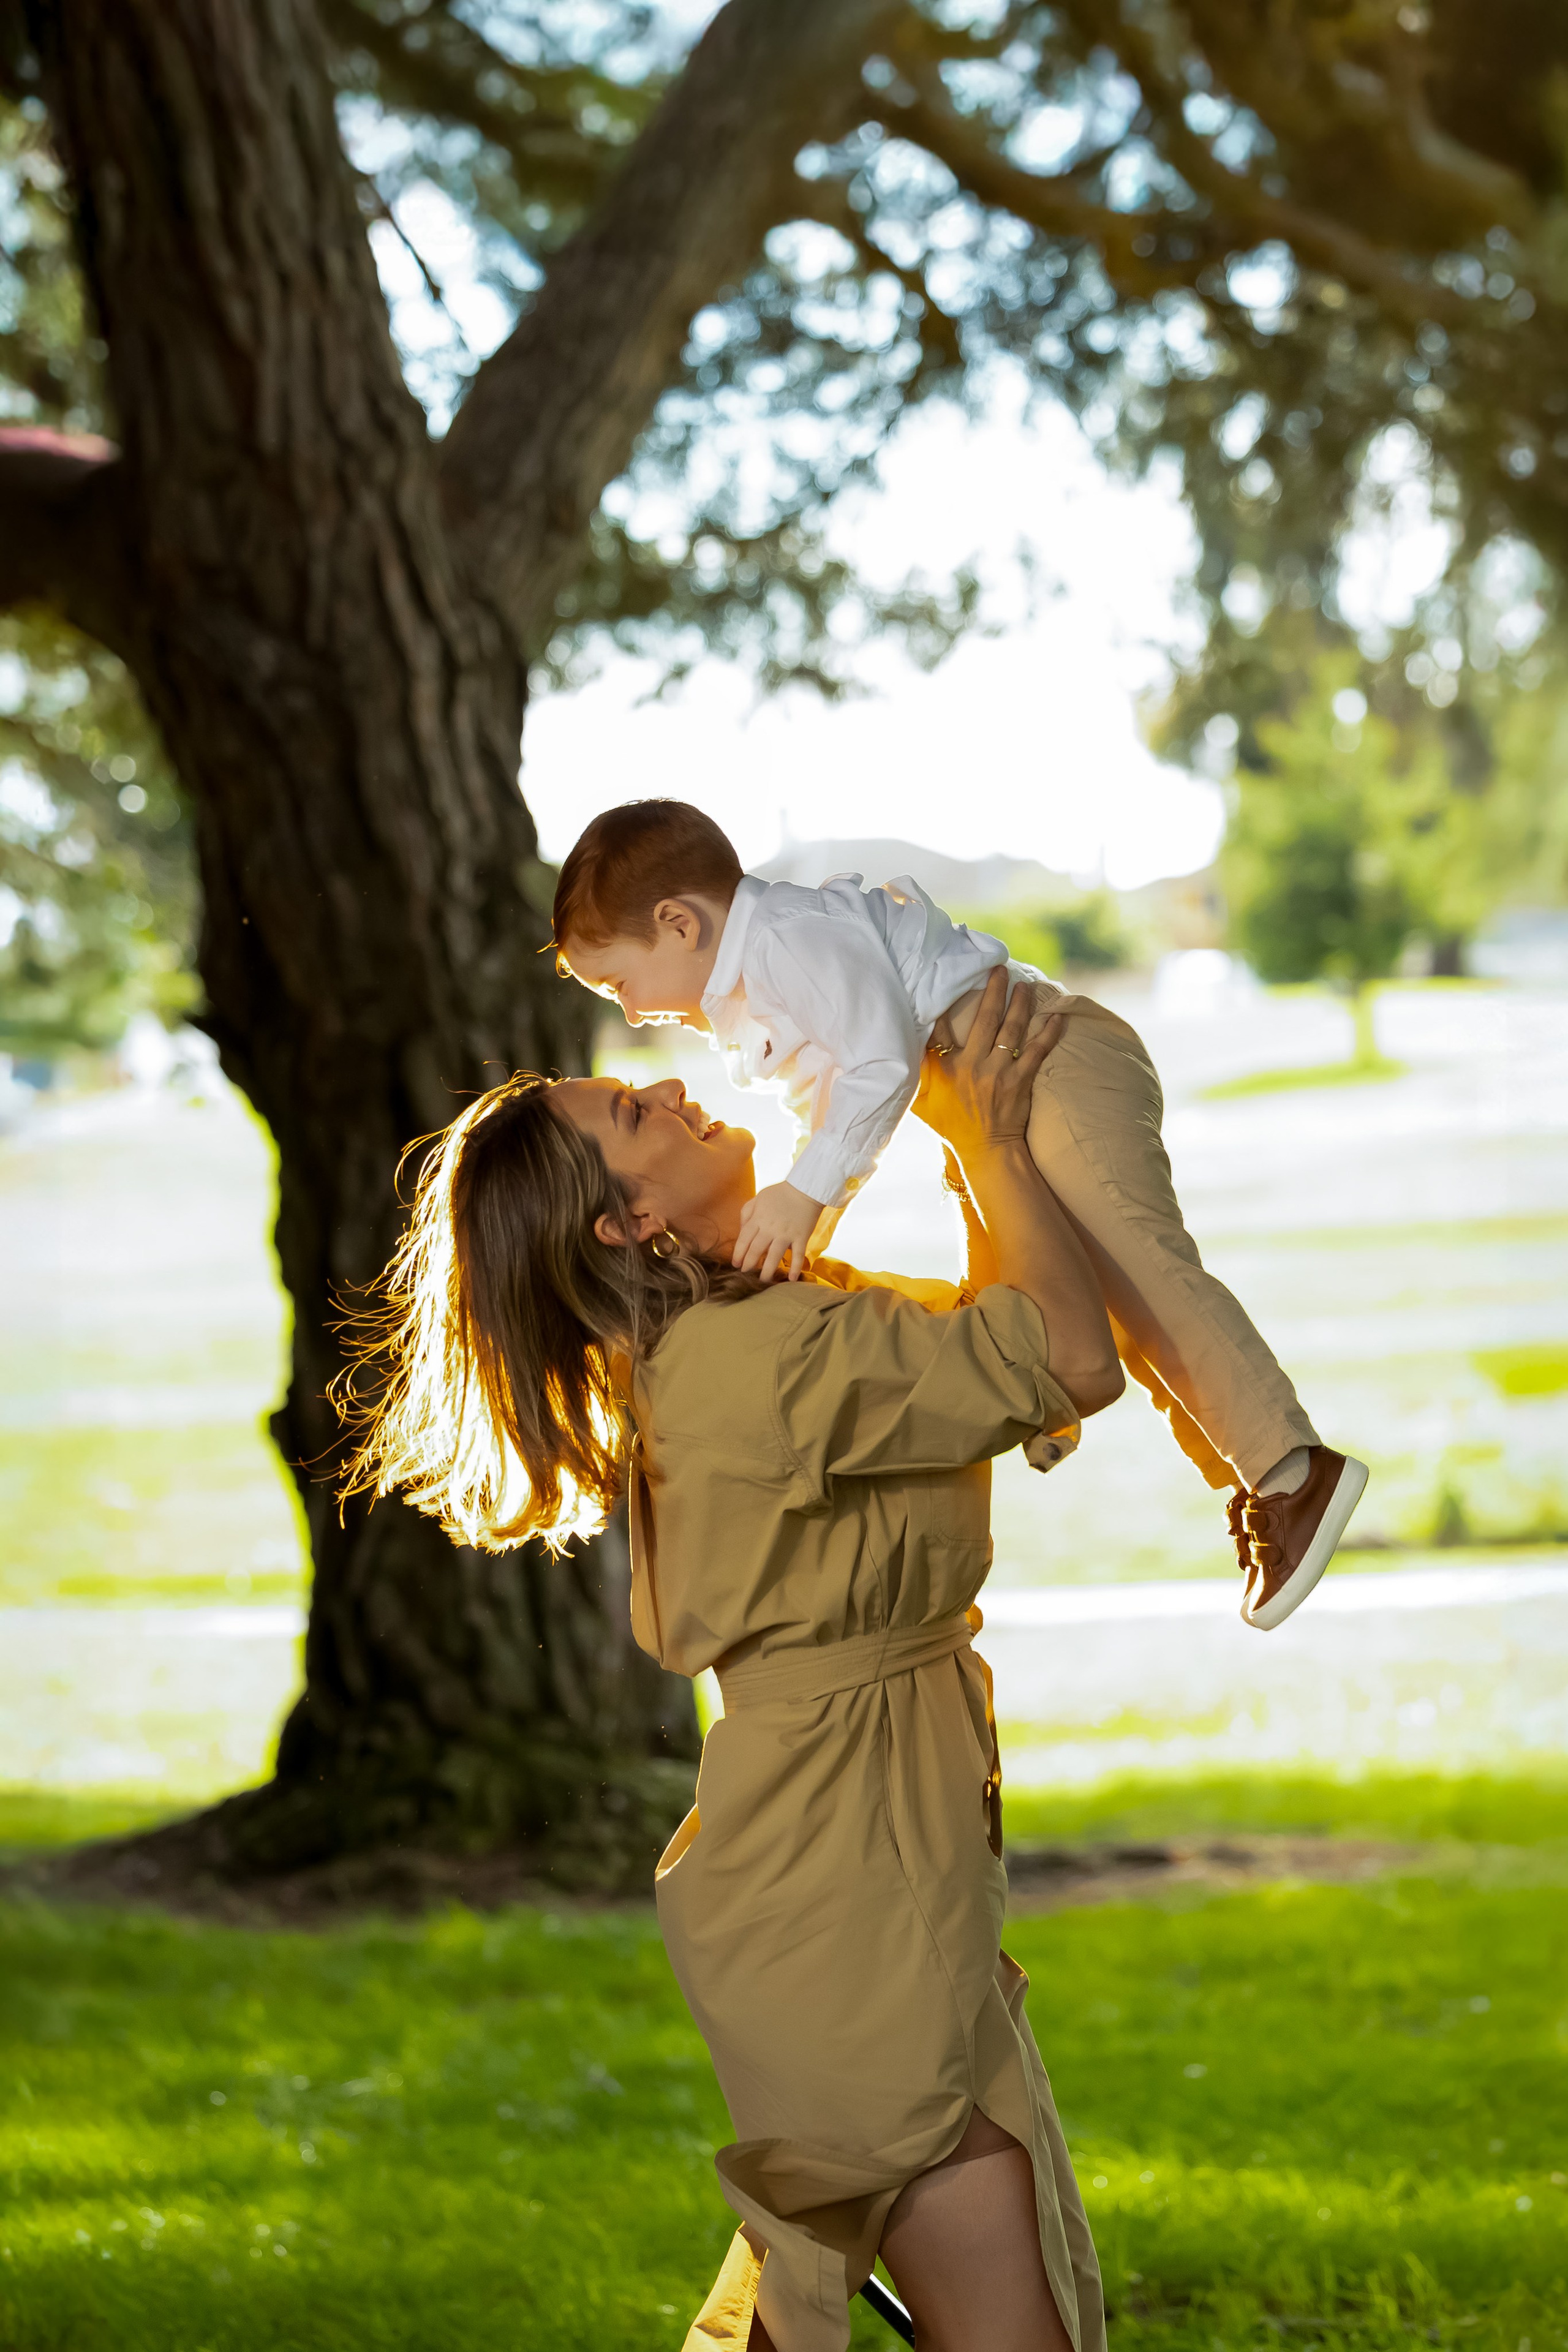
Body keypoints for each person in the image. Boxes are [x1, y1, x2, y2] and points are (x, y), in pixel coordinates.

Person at [345, 970, 1123, 2351]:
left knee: (835, 2273)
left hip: (852, 1849)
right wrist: (988, 1139)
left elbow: (994, 1333)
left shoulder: (754, 1324)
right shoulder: (749, 1357)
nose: (675, 1087)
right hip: (847, 1868)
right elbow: (1063, 1358)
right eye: (637, 1114)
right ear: (628, 1220)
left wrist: (967, 1140)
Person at [550, 798, 1368, 1630]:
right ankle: (1247, 1478)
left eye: (619, 983)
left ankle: (1292, 1473)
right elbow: (827, 1111)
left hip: (1050, 1061)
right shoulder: (760, 981)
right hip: (1005, 1095)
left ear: (678, 924)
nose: (629, 1012)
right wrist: (806, 1222)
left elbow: (881, 1066)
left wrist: (806, 1195)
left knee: (1146, 1276)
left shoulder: (789, 941)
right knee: (1114, 1311)